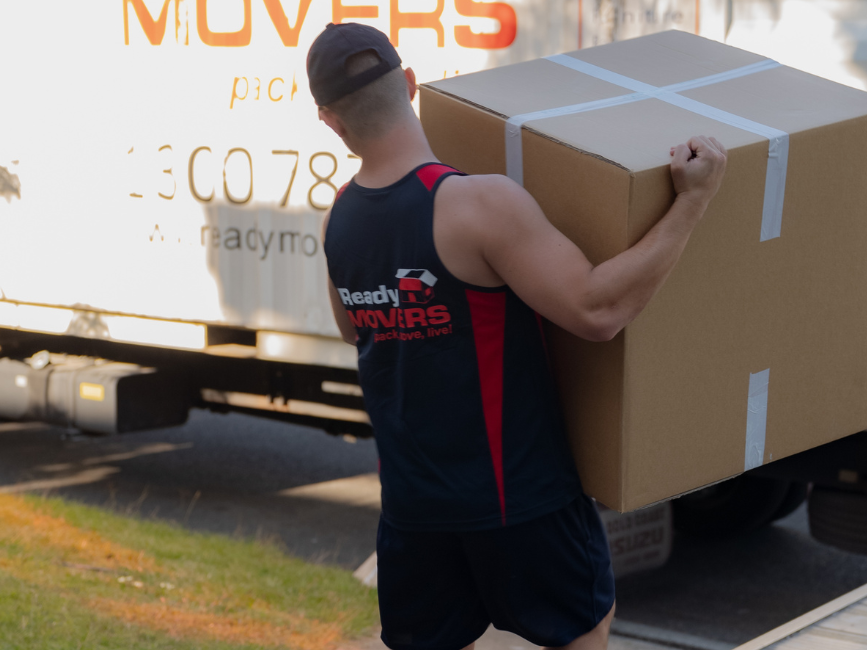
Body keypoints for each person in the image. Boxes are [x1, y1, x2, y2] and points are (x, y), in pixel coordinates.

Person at [308, 22, 727, 650]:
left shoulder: (337, 220)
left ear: (329, 120)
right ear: (411, 85)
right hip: (519, 501)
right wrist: (692, 203)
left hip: (413, 511)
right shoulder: (475, 205)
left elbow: (354, 329)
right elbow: (597, 311)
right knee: (582, 635)